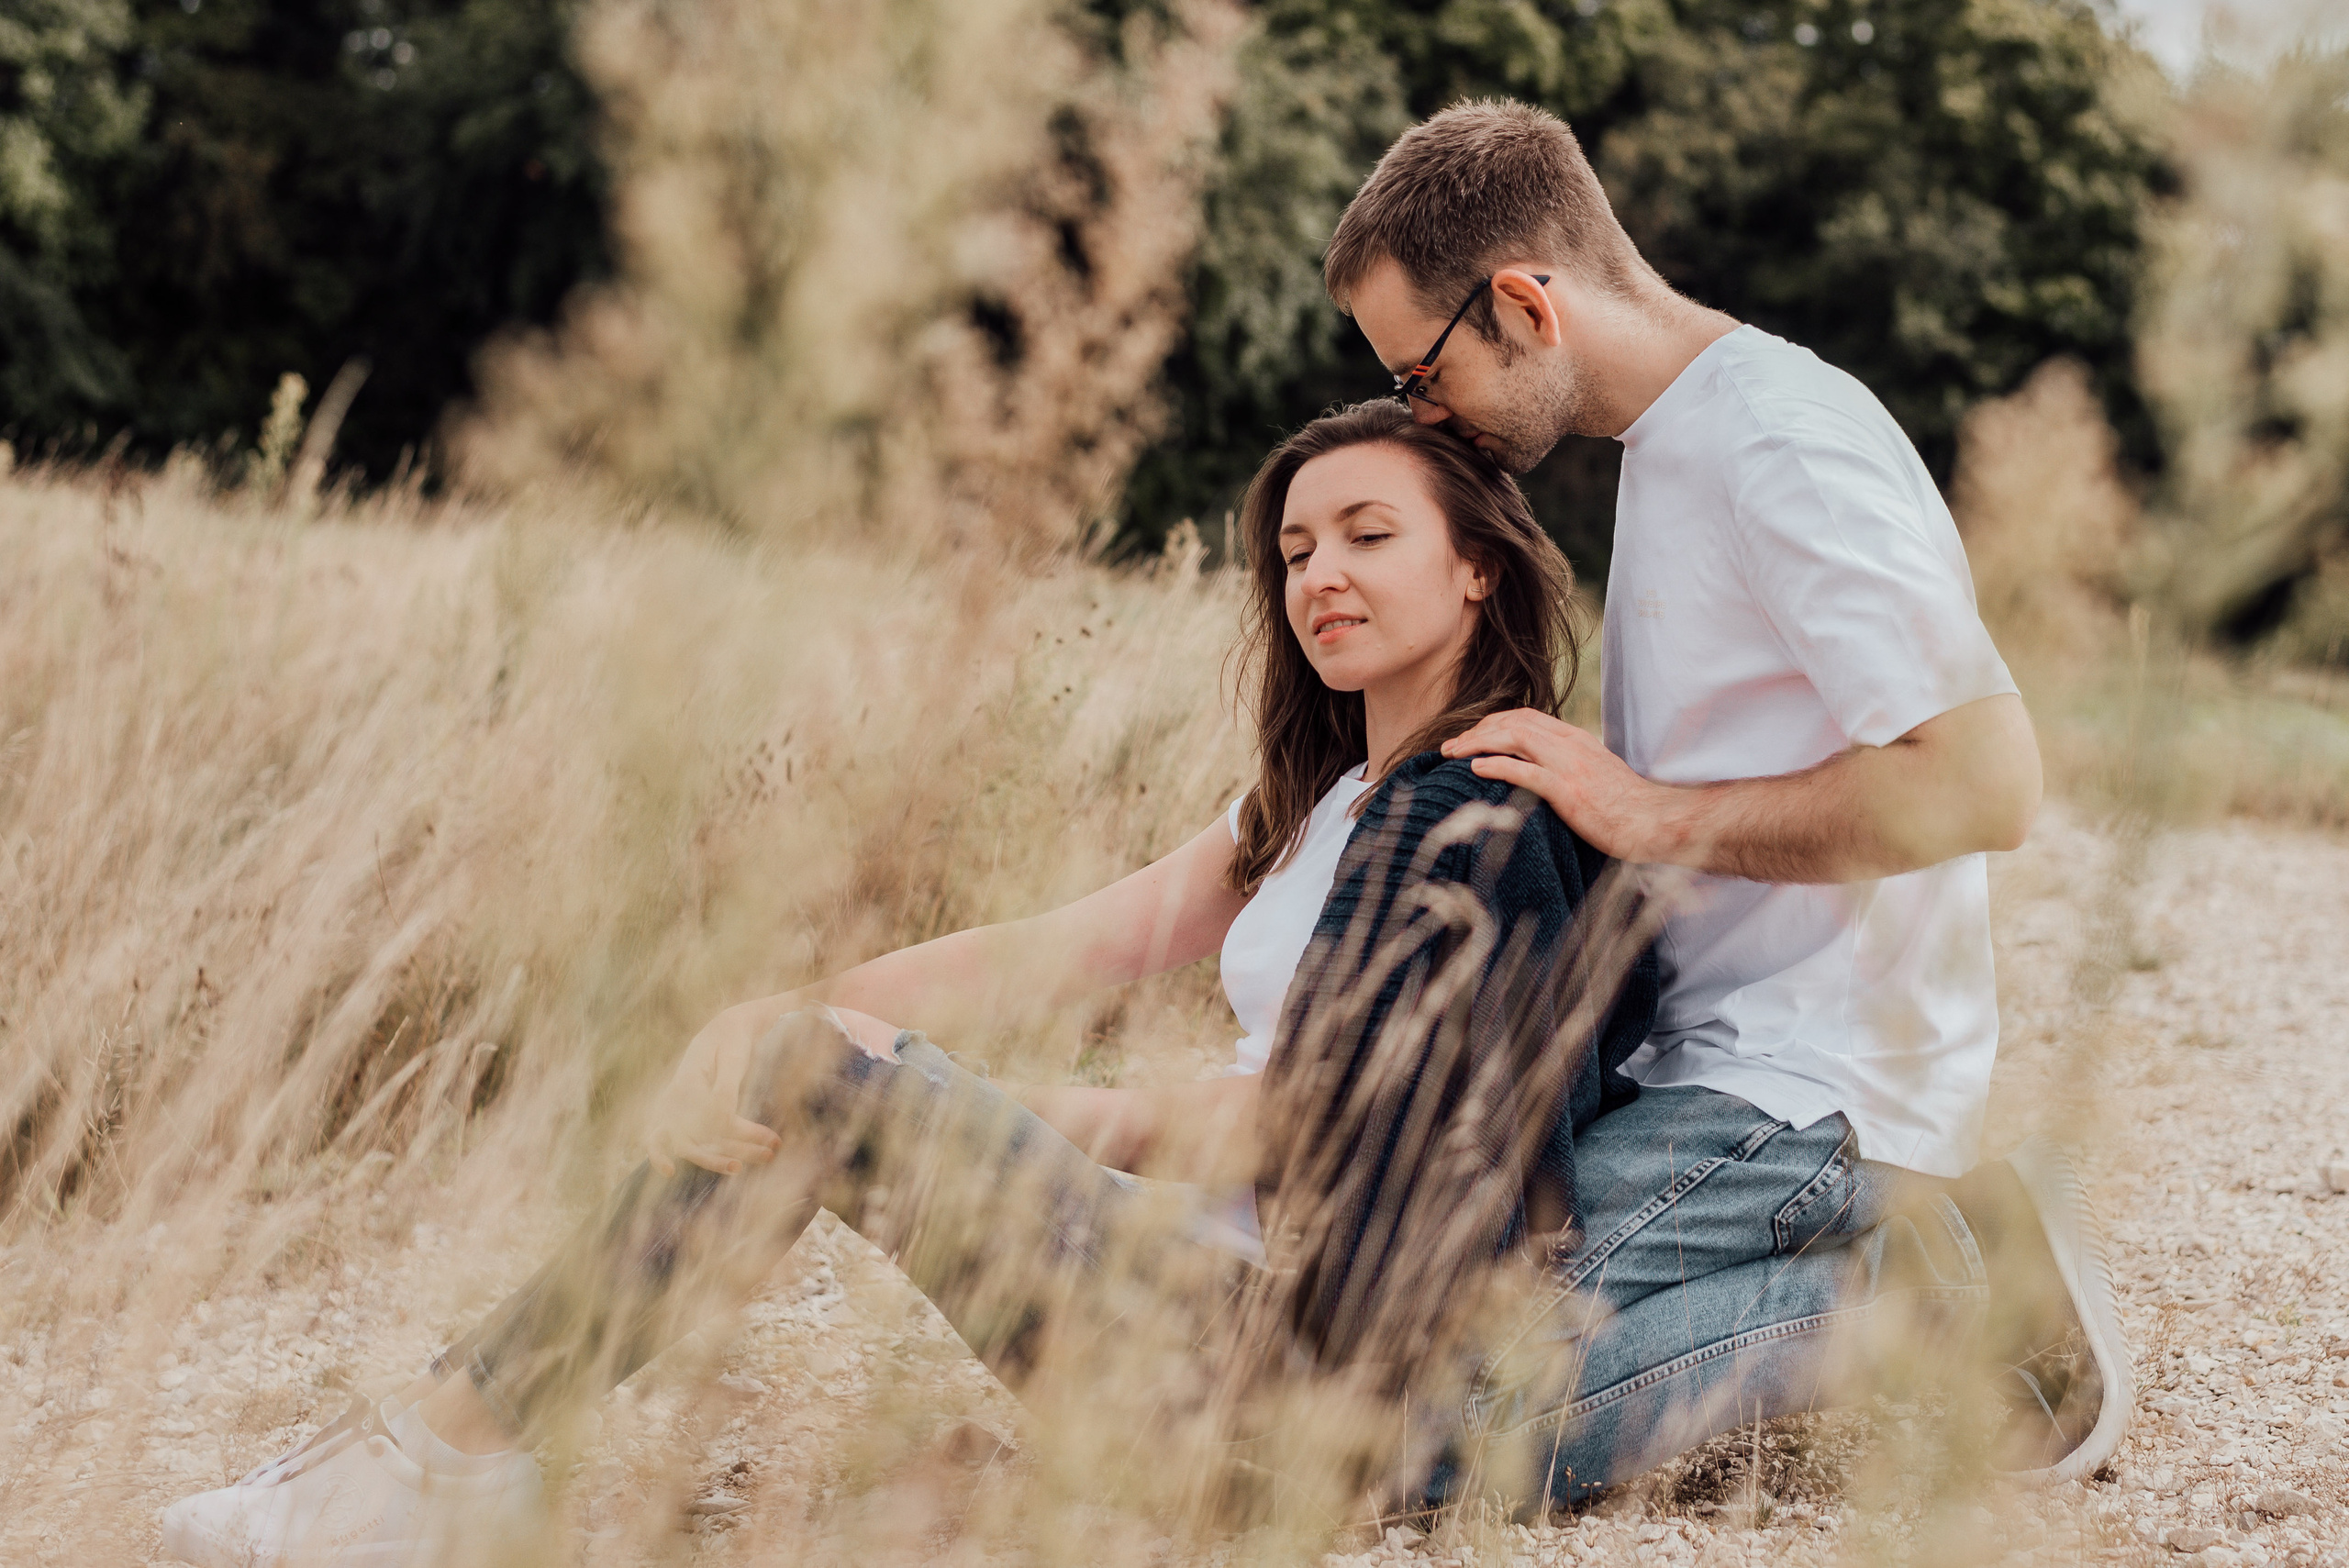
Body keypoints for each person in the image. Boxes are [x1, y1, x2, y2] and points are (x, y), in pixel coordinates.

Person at [160, 403, 1662, 1567]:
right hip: (1191, 1296)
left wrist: (916, 1091)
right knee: (804, 1069)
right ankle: (453, 1449)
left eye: (1367, 536)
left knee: (827, 1084)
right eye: (1293, 549)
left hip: (1282, 1384)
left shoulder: (1477, 807)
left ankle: (443, 1464)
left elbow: (1308, 1122)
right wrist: (795, 1014)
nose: (1319, 573)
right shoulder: (1329, 790)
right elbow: (1089, 937)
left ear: (1476, 565)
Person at [1316, 97, 2131, 1498]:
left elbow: (1989, 781)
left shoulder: (1782, 445)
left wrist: (1650, 814)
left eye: (1425, 373)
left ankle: (1938, 1284)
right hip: (1717, 1066)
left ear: (1524, 300)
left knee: (1406, 1432)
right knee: (1369, 1349)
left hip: (1814, 1088)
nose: (1420, 414)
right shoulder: (1672, 447)